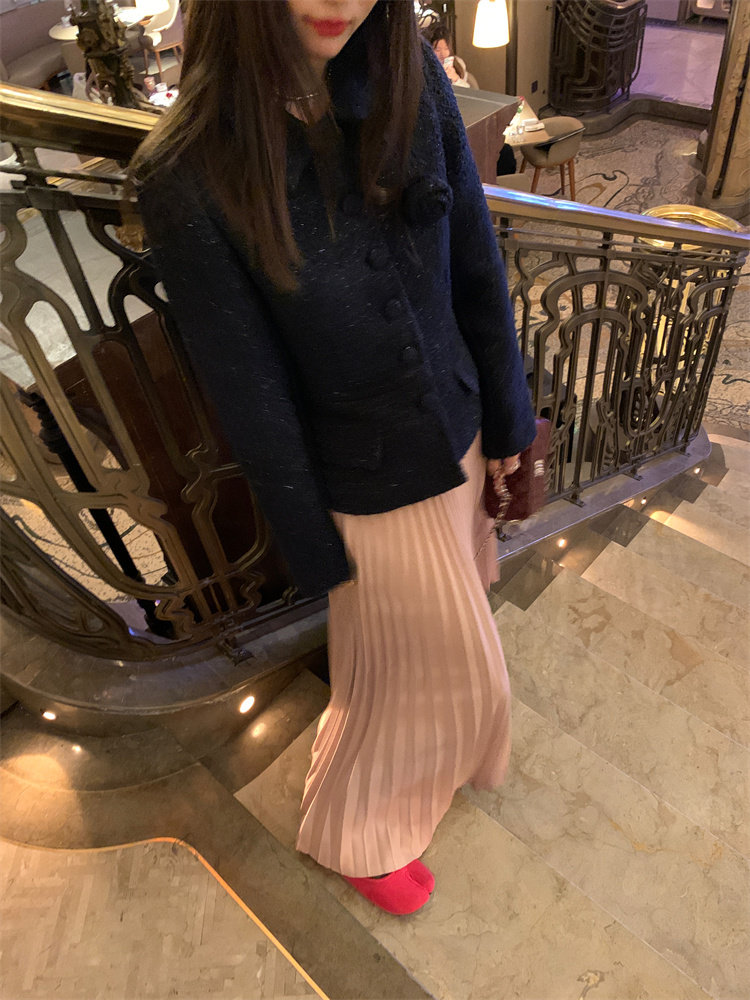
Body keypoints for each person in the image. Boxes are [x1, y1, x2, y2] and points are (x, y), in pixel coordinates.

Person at [131, 0, 535, 916]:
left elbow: (475, 260)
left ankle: (405, 781)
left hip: (462, 425)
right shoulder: (188, 169)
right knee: (437, 666)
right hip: (369, 478)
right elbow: (251, 389)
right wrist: (315, 551)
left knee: (402, 664)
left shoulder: (407, 71)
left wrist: (510, 420)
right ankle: (358, 828)